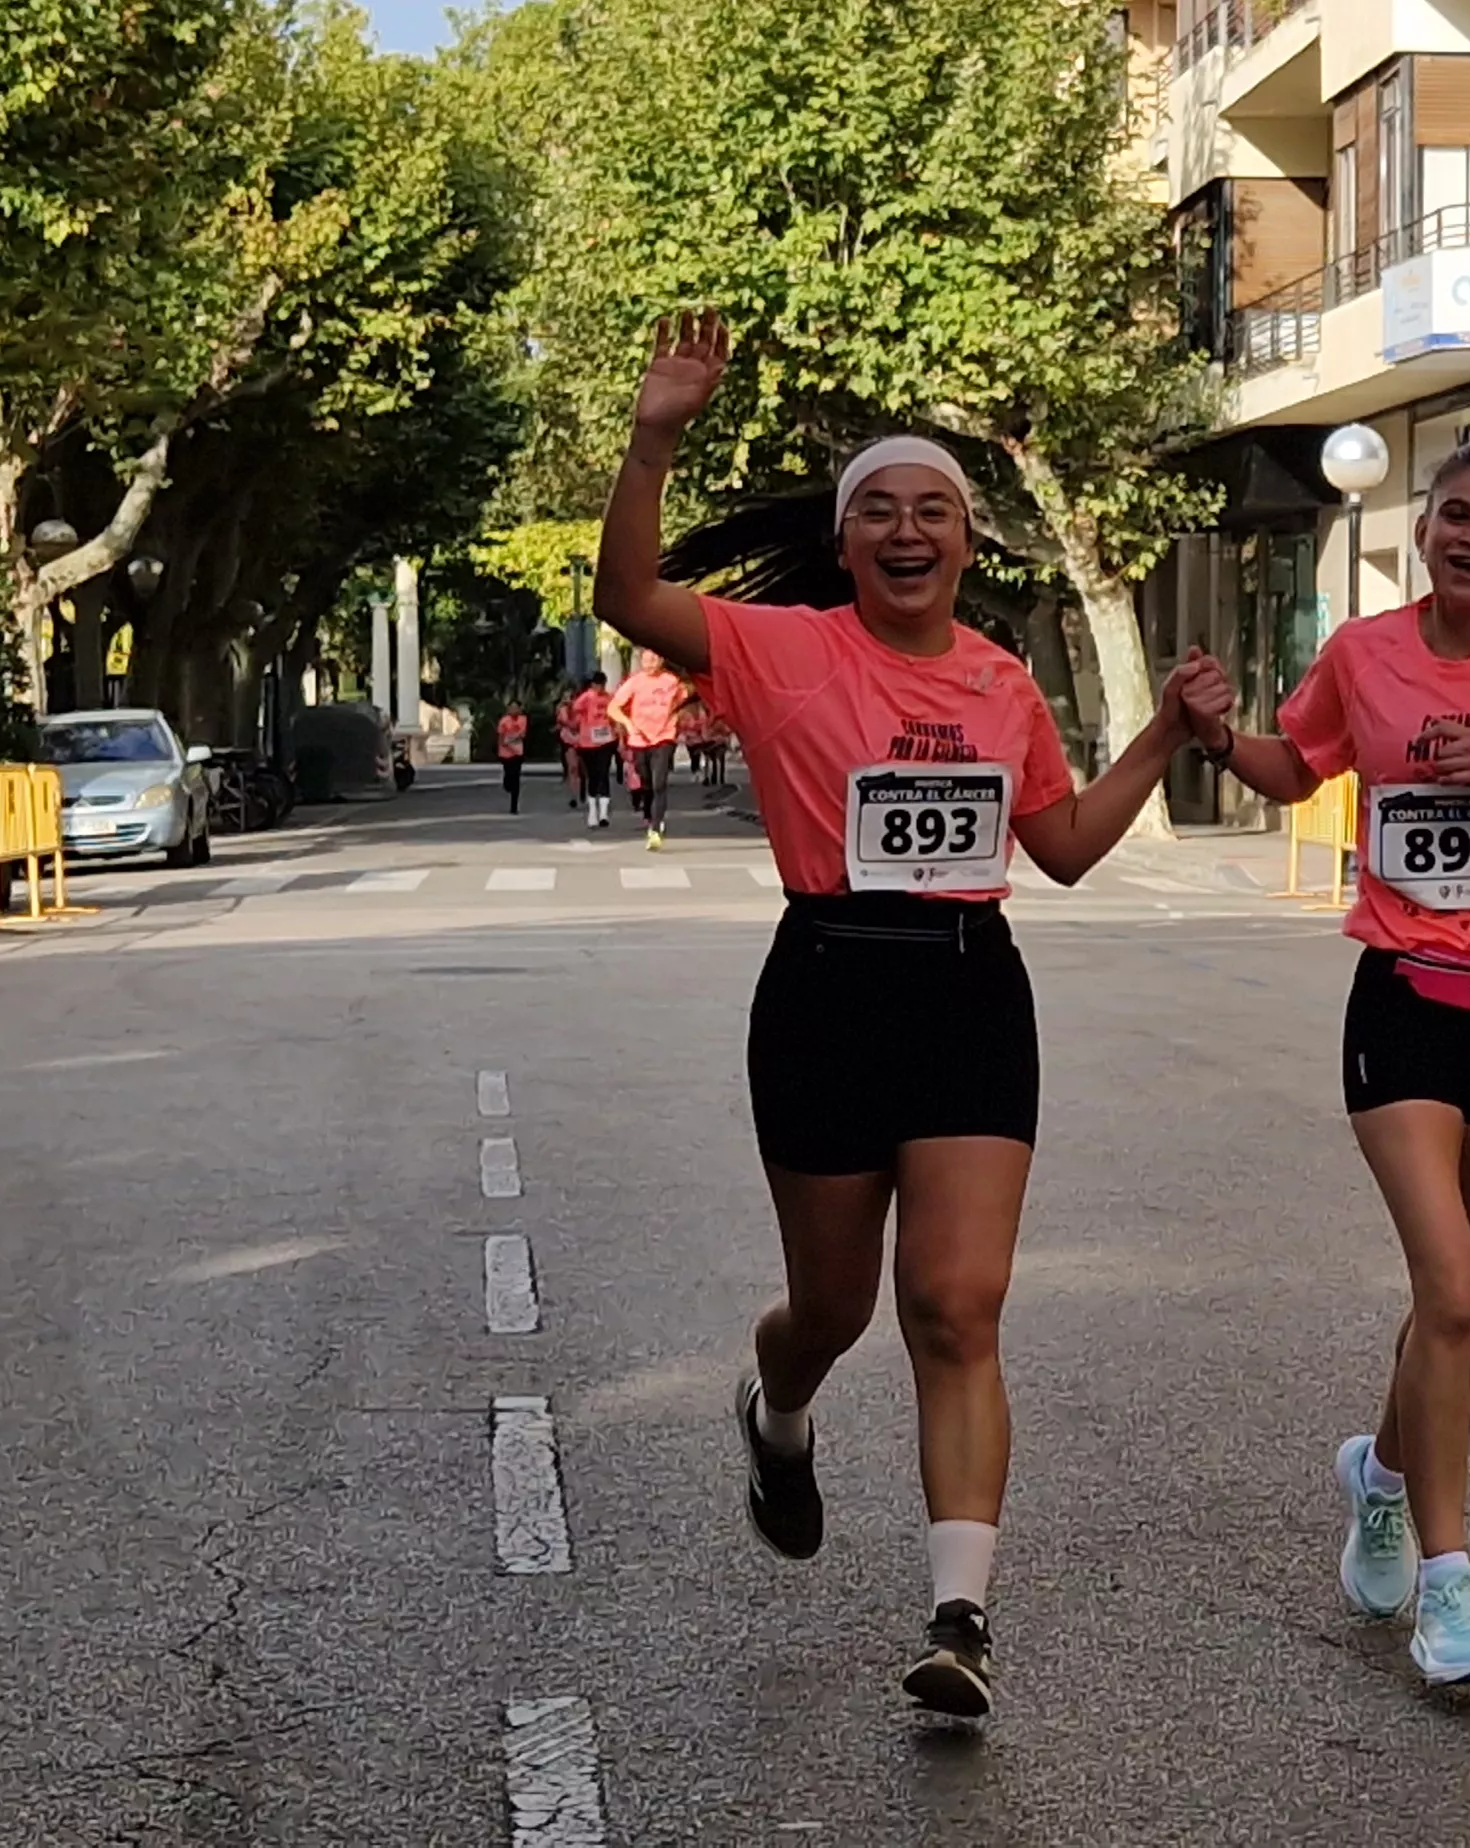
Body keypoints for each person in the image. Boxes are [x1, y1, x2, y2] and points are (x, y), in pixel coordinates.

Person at [591, 313, 1191, 1718]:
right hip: (827, 986)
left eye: (935, 510)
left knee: (959, 1305)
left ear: (970, 543)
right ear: (850, 543)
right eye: (881, 511)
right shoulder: (777, 648)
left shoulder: (1000, 679)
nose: (909, 529)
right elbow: (629, 596)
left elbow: (1062, 845)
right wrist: (657, 429)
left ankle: (960, 1615)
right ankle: (777, 1408)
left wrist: (1161, 736)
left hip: (972, 986)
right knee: (835, 1308)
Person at [1171, 441, 1470, 1688]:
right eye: (1454, 516)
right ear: (1424, 527)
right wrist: (1221, 739)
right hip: (1404, 999)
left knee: (1462, 1303)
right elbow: (1297, 766)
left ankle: (1378, 1477)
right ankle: (1450, 1588)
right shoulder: (1365, 654)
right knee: (1446, 1293)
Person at [610, 650, 687, 849]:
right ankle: (649, 811)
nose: (650, 663)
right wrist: (627, 724)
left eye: (654, 659)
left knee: (659, 782)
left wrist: (677, 715)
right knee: (646, 783)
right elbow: (613, 708)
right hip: (639, 739)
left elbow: (686, 697)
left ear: (661, 660)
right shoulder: (635, 682)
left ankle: (655, 828)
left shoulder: (671, 681)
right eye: (646, 660)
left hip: (664, 737)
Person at [567, 671, 621, 828]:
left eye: (602, 684)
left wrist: (617, 731)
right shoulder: (586, 697)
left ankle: (604, 814)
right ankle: (592, 811)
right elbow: (574, 711)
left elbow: (615, 715)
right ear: (592, 684)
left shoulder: (609, 698)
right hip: (588, 742)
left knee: (604, 773)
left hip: (606, 740)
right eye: (596, 684)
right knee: (593, 777)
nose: (599, 687)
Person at [495, 706, 533, 813]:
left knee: (516, 777)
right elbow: (501, 736)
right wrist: (501, 748)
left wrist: (514, 739)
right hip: (506, 752)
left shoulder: (523, 719)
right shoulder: (504, 721)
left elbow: (523, 734)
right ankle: (506, 783)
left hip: (517, 752)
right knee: (509, 775)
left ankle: (514, 806)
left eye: (516, 708)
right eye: (512, 708)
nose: (514, 710)